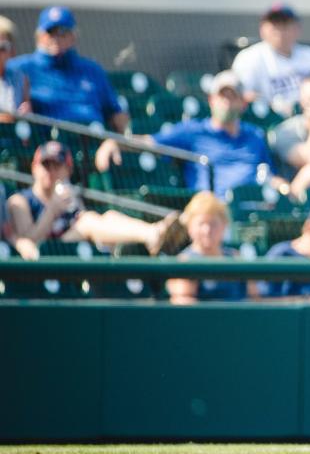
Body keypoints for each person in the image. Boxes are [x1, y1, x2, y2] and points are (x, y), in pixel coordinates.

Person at [96, 71, 289, 199]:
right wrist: (115, 142)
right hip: (211, 206)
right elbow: (151, 142)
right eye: (222, 96)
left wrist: (283, 187)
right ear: (211, 100)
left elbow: (267, 174)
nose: (227, 102)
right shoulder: (193, 131)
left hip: (253, 204)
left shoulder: (254, 136)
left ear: (243, 103)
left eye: (233, 96)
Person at [6, 141, 184, 260]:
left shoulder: (68, 195)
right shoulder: (20, 200)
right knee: (88, 221)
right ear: (34, 167)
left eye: (57, 165)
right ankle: (152, 233)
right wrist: (51, 210)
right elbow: (29, 240)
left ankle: (153, 233)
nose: (51, 172)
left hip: (77, 246)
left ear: (68, 170)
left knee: (111, 216)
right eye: (46, 165)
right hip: (49, 251)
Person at [7, 7, 128, 131]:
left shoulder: (92, 69)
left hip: (93, 140)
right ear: (40, 36)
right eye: (51, 32)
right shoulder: (19, 67)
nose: (57, 38)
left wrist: (125, 136)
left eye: (63, 32)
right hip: (46, 142)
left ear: (73, 36)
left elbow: (115, 112)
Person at [231, 3, 310, 114]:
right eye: (274, 24)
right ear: (262, 29)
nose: (279, 30)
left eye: (285, 24)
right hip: (270, 120)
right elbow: (242, 94)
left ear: (297, 29)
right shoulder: (249, 57)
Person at [167, 191, 257, 304]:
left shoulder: (235, 257)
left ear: (224, 225)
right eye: (201, 224)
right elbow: (183, 306)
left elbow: (255, 298)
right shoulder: (185, 262)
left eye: (213, 223)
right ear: (189, 226)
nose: (207, 230)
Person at [0, 15, 29, 117]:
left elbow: (27, 111)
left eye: (3, 47)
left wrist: (26, 112)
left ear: (11, 51)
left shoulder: (20, 78)